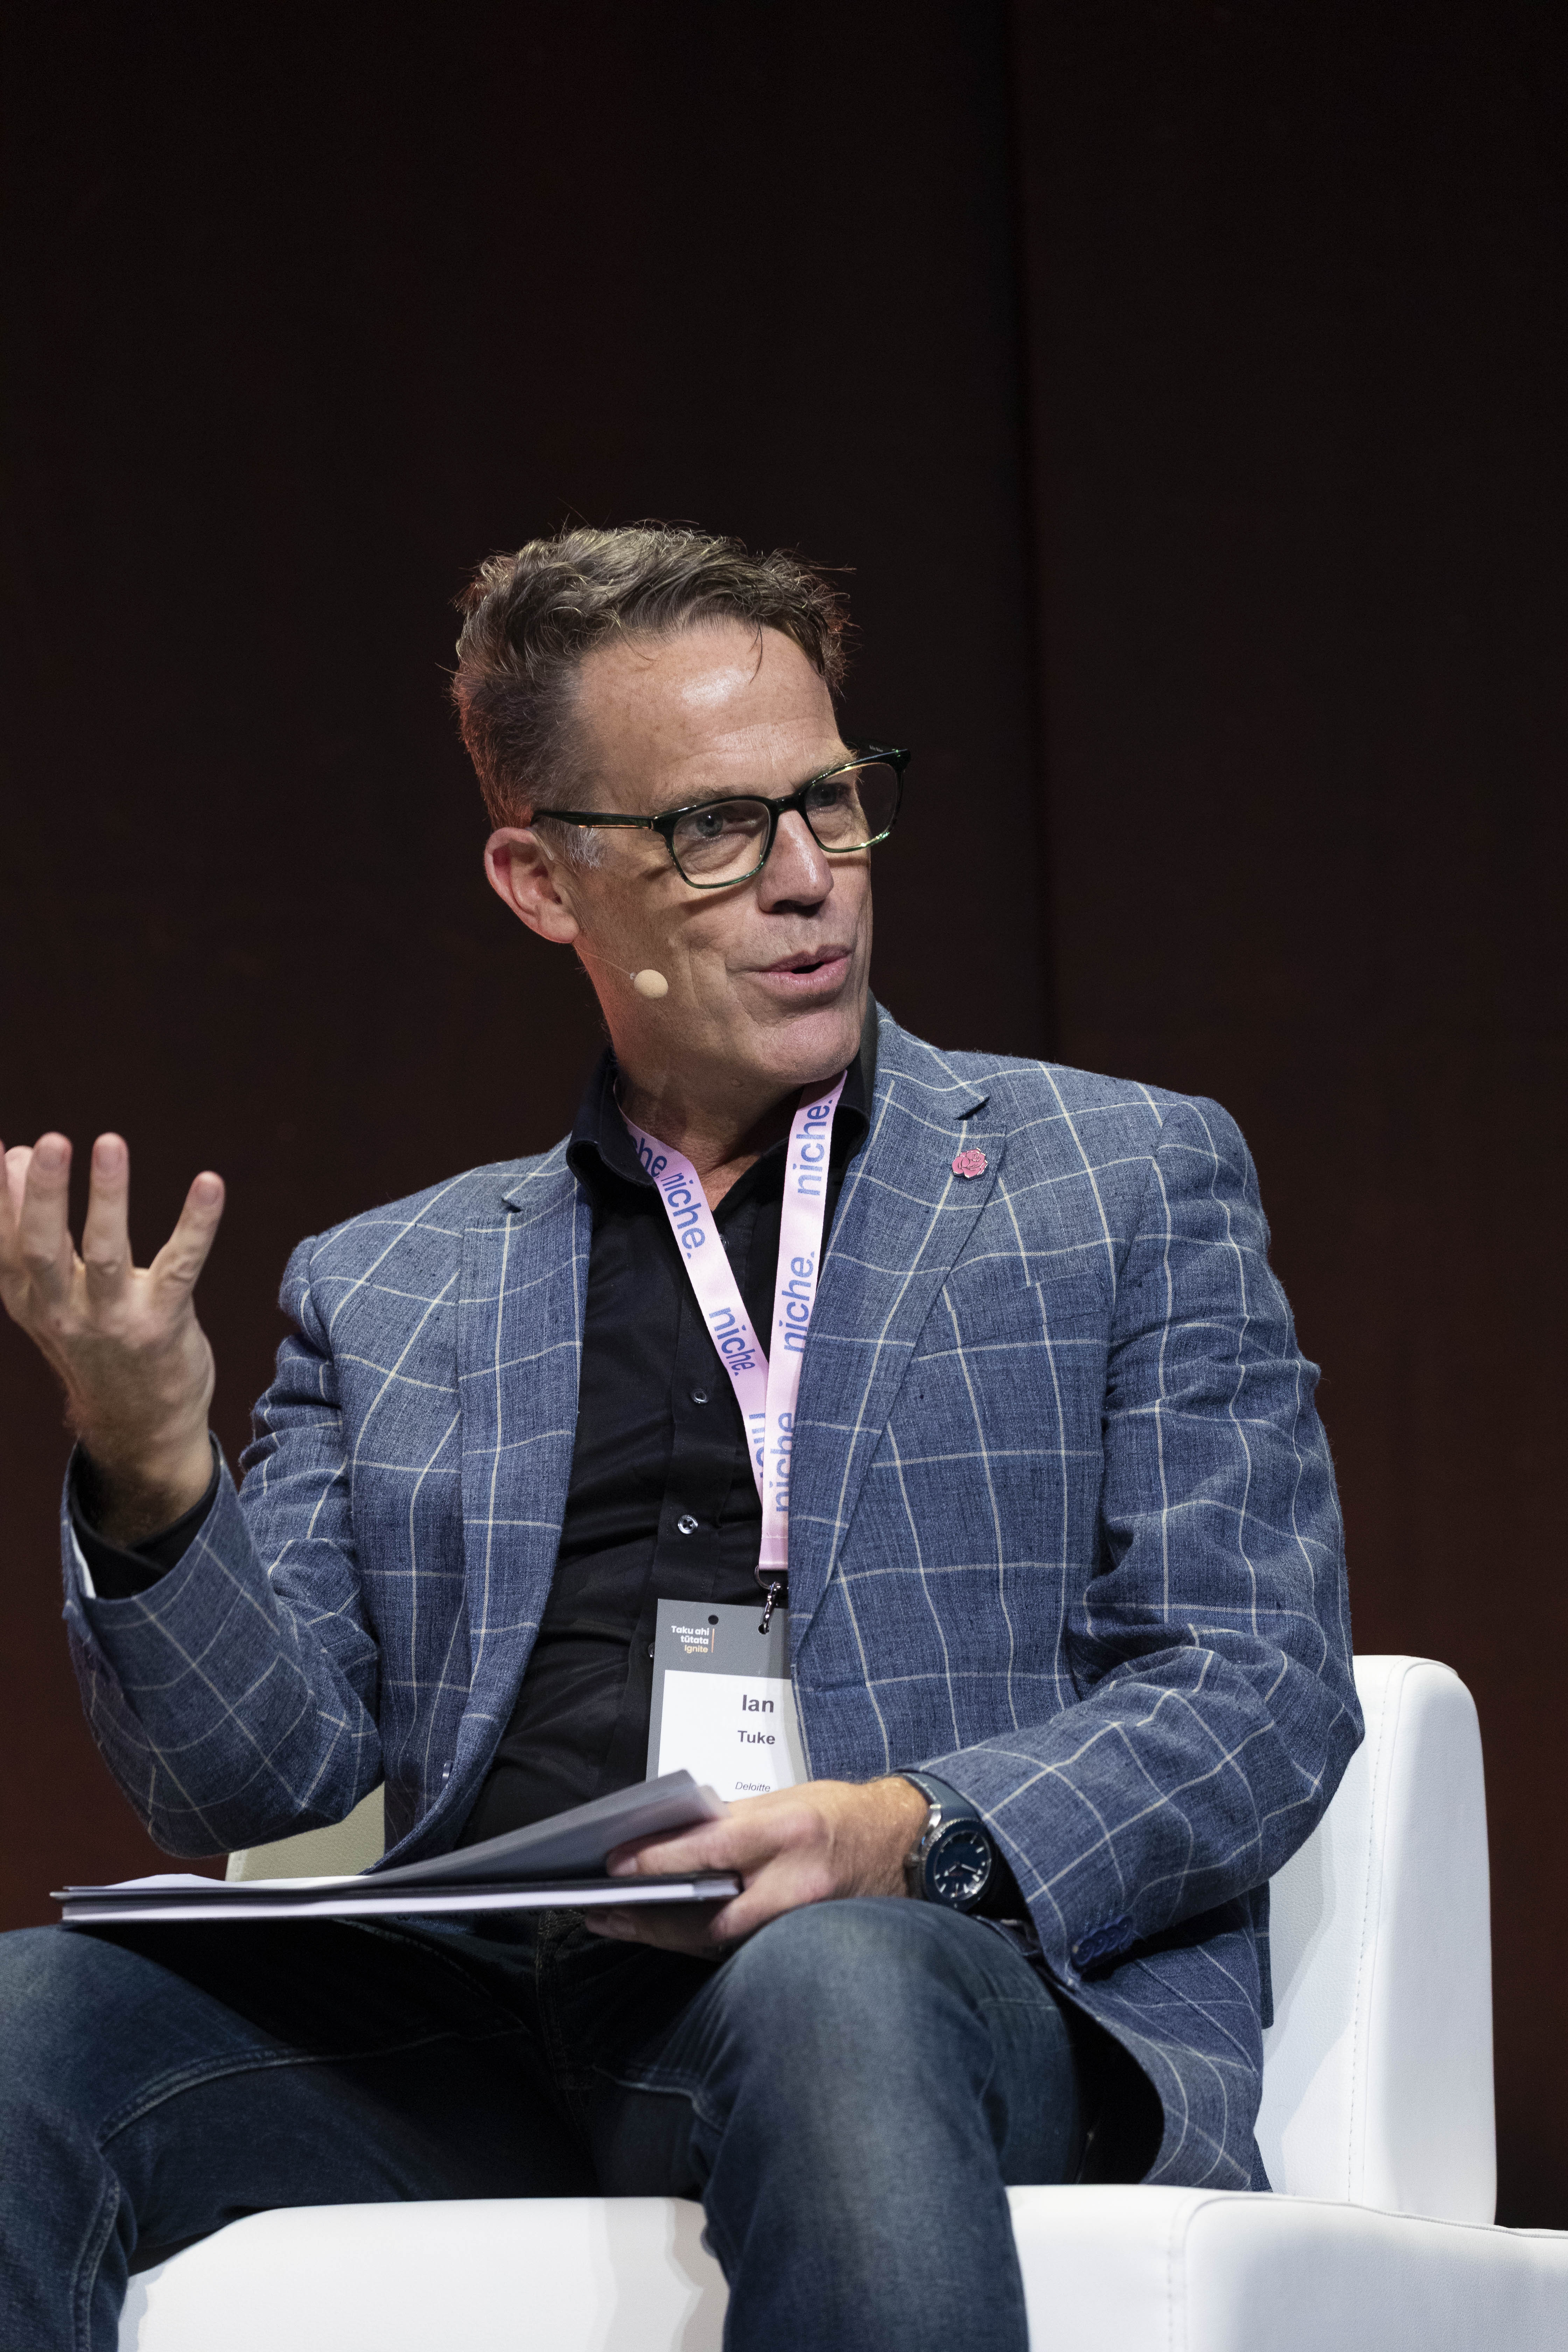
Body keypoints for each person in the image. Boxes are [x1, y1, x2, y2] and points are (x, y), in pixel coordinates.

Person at [0, 526, 1360, 2352]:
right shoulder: (393, 1285)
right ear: (541, 879)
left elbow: (1257, 1687)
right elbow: (256, 1782)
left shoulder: (1118, 1184)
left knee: (833, 1987)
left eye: (833, 801)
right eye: (718, 829)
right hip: (478, 2008)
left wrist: (903, 1835)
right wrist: (153, 1462)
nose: (810, 882)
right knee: (27, 2023)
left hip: (908, 1969)